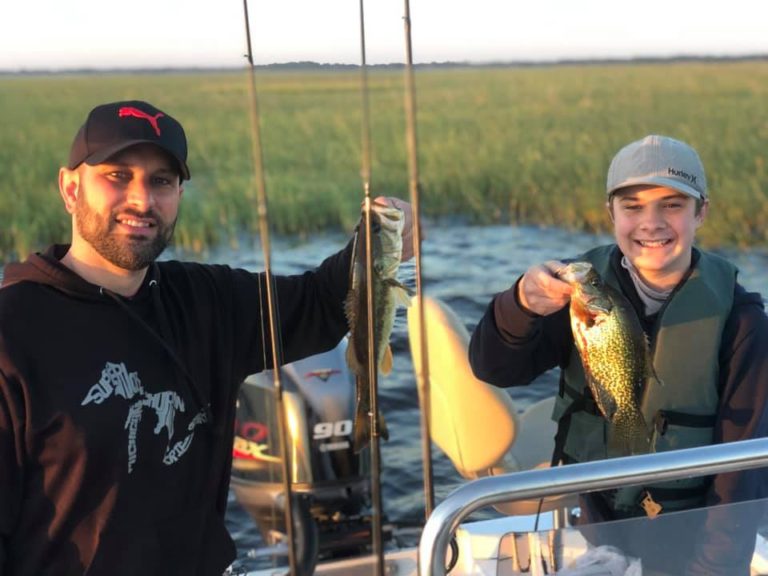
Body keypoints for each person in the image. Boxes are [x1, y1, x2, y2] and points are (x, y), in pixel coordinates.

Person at [0, 100, 412, 575]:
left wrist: (381, 235)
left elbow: (321, 302)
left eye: (161, 181)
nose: (142, 200)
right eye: (117, 176)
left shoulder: (207, 300)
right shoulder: (14, 332)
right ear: (70, 189)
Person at [469, 134, 768, 575]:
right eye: (632, 206)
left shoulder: (741, 322)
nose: (651, 223)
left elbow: (741, 472)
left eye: (672, 204)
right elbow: (495, 367)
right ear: (610, 212)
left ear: (701, 212)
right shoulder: (577, 296)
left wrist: (714, 566)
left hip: (693, 538)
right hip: (600, 527)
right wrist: (521, 304)